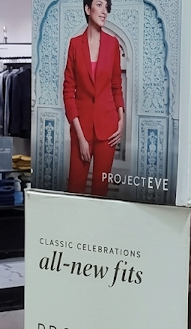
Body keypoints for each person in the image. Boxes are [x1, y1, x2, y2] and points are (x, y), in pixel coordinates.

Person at [63, 0, 125, 196]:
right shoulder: (74, 44)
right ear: (87, 9)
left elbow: (116, 86)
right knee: (75, 187)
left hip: (108, 129)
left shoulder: (113, 44)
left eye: (107, 7)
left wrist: (122, 120)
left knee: (101, 189)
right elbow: (68, 92)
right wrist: (80, 137)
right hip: (81, 128)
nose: (104, 11)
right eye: (99, 5)